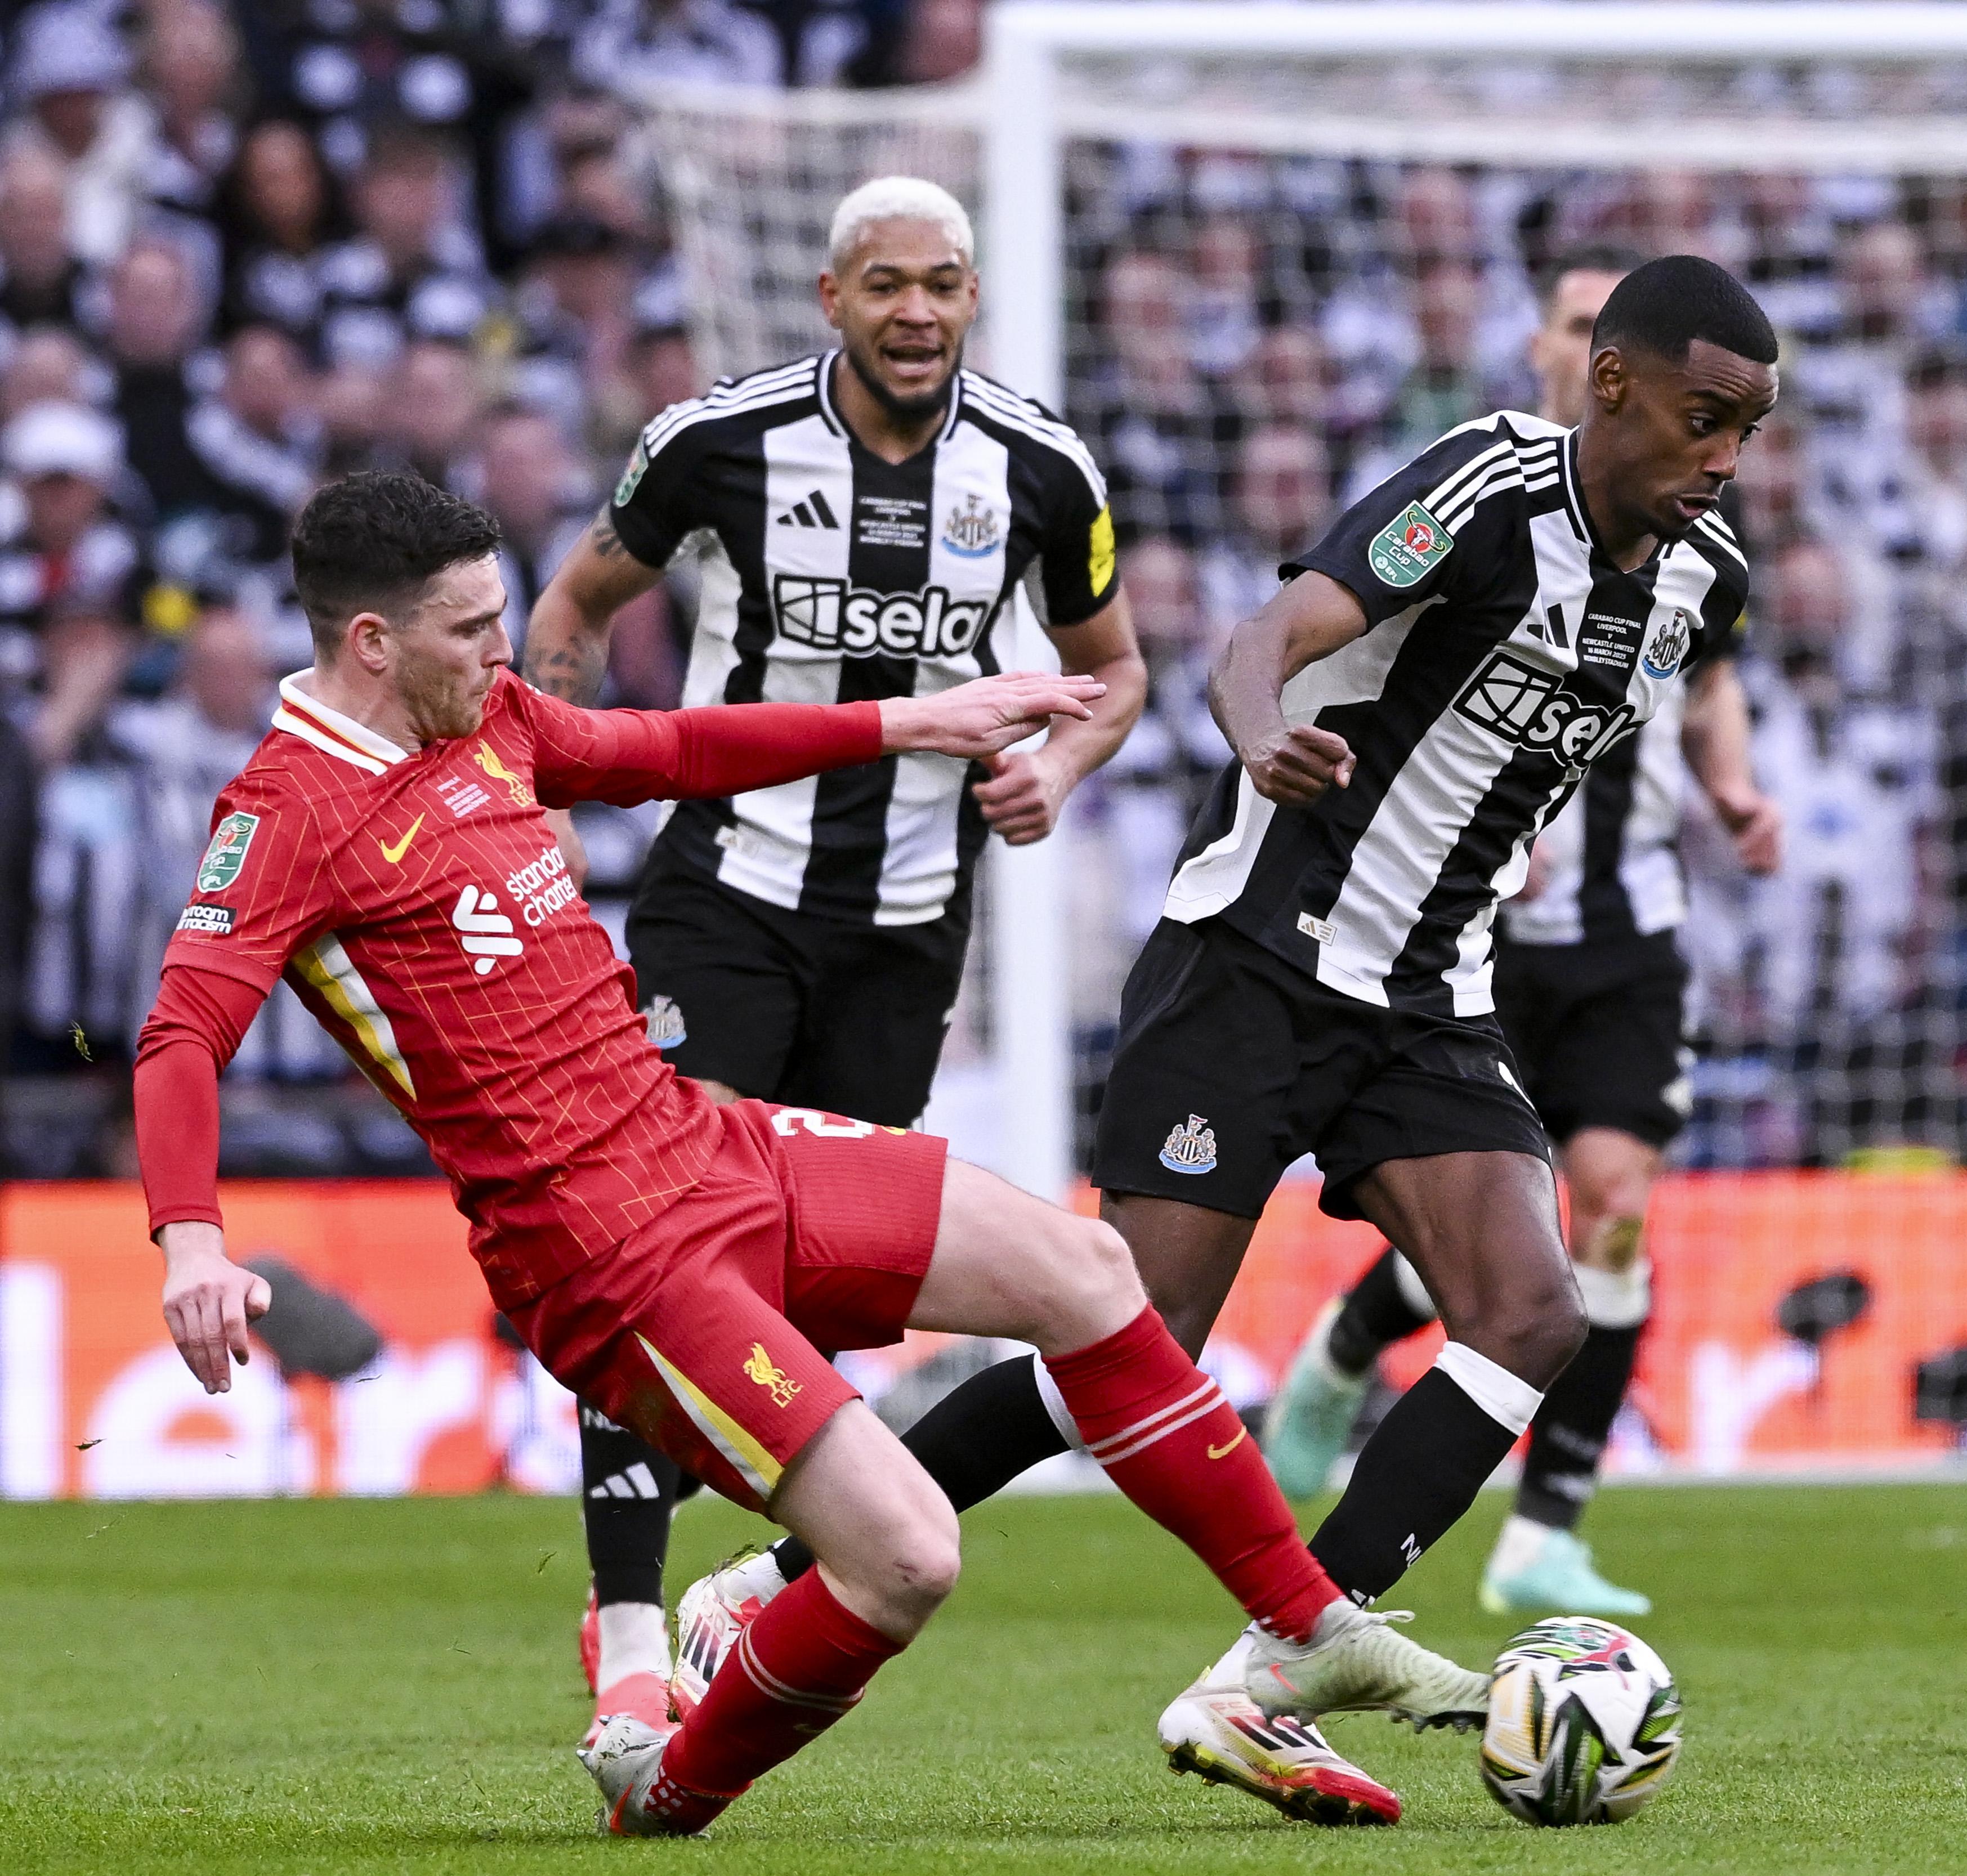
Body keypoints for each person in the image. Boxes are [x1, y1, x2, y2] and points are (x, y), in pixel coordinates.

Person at [132, 472, 1436, 1834]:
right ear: (371, 645)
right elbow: (179, 1031)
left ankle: (1305, 1625)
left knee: (1087, 1267)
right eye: (471, 629)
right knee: (907, 1560)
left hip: (705, 1139)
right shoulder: (285, 812)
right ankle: (667, 1789)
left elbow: (676, 748)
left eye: (503, 618)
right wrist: (194, 1237)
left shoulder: (494, 718)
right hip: (602, 1249)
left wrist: (913, 720)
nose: (505, 651)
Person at [669, 252, 1781, 1813]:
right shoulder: (1479, 488)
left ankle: (1277, 1669)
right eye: (1705, 418)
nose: (1725, 457)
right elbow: (1262, 639)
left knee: (1534, 1309)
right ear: (1613, 384)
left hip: (1428, 996)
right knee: (1130, 1345)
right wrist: (1268, 739)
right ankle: (766, 1577)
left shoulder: (1701, 584)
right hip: (1254, 960)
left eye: (1750, 429)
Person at [513, 176, 1147, 1750]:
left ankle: (763, 1570)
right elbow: (574, 609)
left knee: (815, 1294)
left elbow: (1114, 672)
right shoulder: (713, 441)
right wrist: (535, 797)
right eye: (885, 284)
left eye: (942, 282)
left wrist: (1057, 776)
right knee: (652, 1239)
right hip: (723, 891)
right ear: (828, 294)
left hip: (911, 922)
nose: (915, 310)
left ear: (973, 296)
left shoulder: (1043, 468)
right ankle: (634, 1626)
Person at [1259, 243, 1785, 1618]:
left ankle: (1545, 1523)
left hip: (1627, 926)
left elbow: (1713, 676)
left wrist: (1730, 785)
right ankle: (1342, 1348)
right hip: (1460, 924)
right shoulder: (1491, 499)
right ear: (1579, 358)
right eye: (1560, 321)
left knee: (1606, 1210)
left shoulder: (1695, 538)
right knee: (1493, 1224)